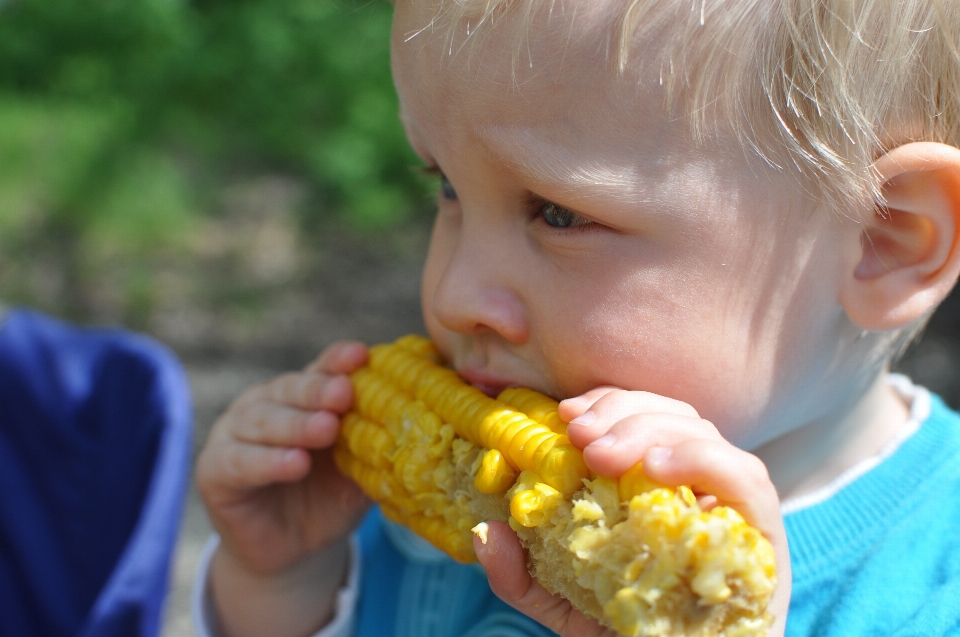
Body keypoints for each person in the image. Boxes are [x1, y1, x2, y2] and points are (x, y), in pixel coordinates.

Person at [192, 1, 960, 636]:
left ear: (883, 240)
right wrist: (281, 585)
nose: (455, 292)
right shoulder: (398, 531)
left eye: (559, 213)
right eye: (447, 187)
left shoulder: (934, 589)